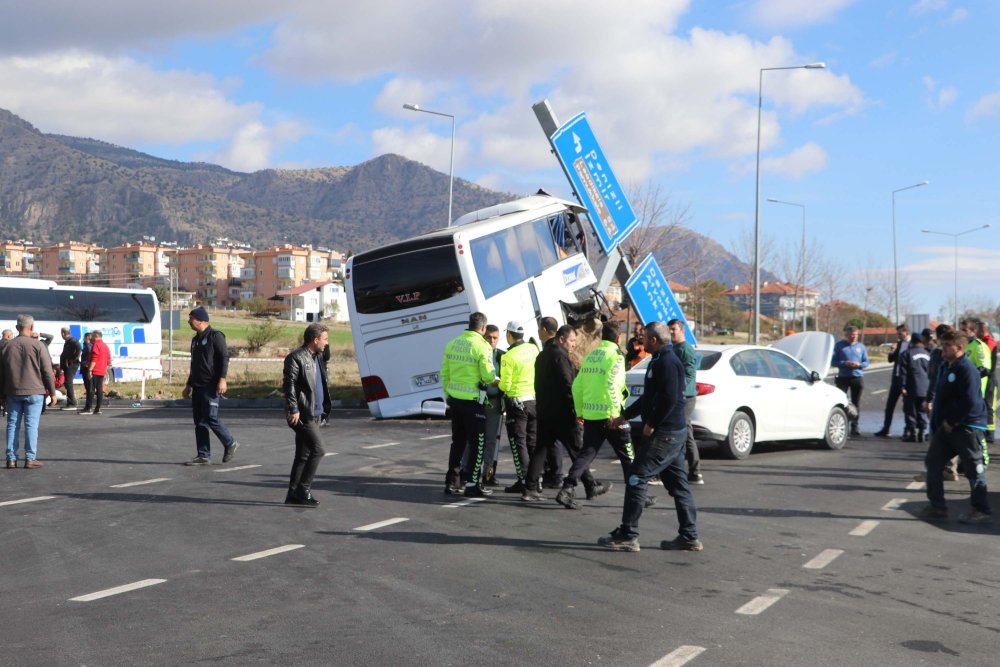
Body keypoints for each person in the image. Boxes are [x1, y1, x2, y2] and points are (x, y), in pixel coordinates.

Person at [598, 321, 701, 552]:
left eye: (644, 337)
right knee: (678, 485)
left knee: (636, 476)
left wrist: (652, 424)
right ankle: (689, 536)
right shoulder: (658, 359)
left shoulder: (668, 362)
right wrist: (624, 416)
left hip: (666, 434)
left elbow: (670, 398)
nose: (640, 340)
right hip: (671, 433)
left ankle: (628, 534)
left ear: (653, 340)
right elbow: (650, 397)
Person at [522, 324, 607, 502]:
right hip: (562, 413)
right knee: (577, 450)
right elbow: (569, 385)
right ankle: (590, 486)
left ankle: (530, 488)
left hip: (544, 411)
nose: (574, 344)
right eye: (572, 340)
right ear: (561, 339)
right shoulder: (560, 357)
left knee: (541, 450)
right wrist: (577, 410)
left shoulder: (543, 355)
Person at [918, 330, 992, 525]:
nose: (943, 348)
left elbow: (971, 401)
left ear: (959, 348)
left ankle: (981, 509)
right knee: (933, 462)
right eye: (943, 344)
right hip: (947, 427)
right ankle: (937, 507)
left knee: (973, 468)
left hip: (967, 426)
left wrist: (953, 421)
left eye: (947, 345)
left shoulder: (966, 369)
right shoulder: (947, 366)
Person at [556, 321, 631, 509]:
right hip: (610, 416)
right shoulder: (616, 357)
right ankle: (638, 494)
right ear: (618, 338)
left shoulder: (591, 356)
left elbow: (577, 386)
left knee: (586, 454)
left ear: (601, 336)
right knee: (628, 456)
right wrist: (615, 413)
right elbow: (612, 384)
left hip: (591, 415)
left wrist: (580, 411)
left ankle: (567, 488)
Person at [441, 312, 497, 497]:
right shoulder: (482, 346)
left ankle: (452, 482)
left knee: (457, 442)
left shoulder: (453, 343)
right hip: (473, 402)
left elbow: (445, 373)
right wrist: (494, 379)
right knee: (477, 444)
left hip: (455, 400)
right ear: (483, 328)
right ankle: (473, 484)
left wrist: (448, 395)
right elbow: (488, 376)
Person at [181, 307, 240, 465]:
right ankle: (203, 455)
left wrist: (222, 379)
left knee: (211, 417)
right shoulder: (195, 340)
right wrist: (188, 385)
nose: (189, 321)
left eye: (191, 318)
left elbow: (224, 358)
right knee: (199, 421)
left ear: (201, 320)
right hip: (197, 385)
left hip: (211, 385)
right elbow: (194, 365)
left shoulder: (215, 336)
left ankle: (230, 442)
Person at [283, 323, 331, 507]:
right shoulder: (296, 357)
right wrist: (293, 408)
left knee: (303, 456)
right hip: (303, 414)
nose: (327, 343)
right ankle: (303, 489)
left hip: (316, 412)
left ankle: (292, 494)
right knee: (319, 450)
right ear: (315, 340)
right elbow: (289, 385)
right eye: (325, 339)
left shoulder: (318, 356)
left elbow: (327, 355)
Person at [1, 314, 56, 469]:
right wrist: (52, 392)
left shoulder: (7, 346)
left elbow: (1, 373)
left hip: (13, 391)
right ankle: (30, 458)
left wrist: (1, 395)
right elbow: (47, 371)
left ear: (17, 327)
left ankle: (11, 459)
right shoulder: (38, 345)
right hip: (35, 391)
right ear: (32, 327)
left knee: (12, 424)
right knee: (31, 425)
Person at [498, 320, 538, 494]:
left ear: (509, 334)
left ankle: (525, 481)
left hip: (517, 404)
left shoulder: (508, 357)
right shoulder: (533, 349)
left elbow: (505, 385)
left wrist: (495, 383)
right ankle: (536, 480)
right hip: (534, 401)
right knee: (532, 442)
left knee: (519, 442)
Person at [668, 318, 703, 484]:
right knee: (681, 432)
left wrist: (679, 391)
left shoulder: (685, 349)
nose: (671, 332)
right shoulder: (673, 348)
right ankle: (688, 472)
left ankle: (694, 472)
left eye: (674, 329)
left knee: (684, 432)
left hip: (685, 397)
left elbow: (689, 374)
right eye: (669, 329)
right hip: (678, 396)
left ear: (682, 331)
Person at [832, 325, 869, 438]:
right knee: (841, 402)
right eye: (852, 335)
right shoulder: (839, 346)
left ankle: (855, 426)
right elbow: (833, 361)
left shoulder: (861, 347)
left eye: (856, 335)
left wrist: (859, 364)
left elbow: (866, 362)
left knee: (855, 403)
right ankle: (843, 426)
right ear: (846, 334)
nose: (854, 337)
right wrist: (845, 363)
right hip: (843, 378)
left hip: (856, 378)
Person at [875, 324, 909, 437]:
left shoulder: (911, 345)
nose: (898, 335)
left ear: (906, 332)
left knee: (907, 407)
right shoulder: (899, 344)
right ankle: (886, 428)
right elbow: (890, 359)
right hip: (896, 378)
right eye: (897, 333)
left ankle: (908, 429)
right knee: (890, 405)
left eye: (900, 333)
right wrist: (892, 350)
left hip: (907, 380)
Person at [481, 324, 505, 487]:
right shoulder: (478, 353)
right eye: (488, 337)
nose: (491, 340)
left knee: (491, 441)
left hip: (494, 403)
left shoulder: (502, 356)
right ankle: (467, 473)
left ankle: (488, 475)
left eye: (495, 338)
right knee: (473, 440)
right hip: (478, 401)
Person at [899, 334, 930, 442]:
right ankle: (922, 432)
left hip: (911, 387)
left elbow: (903, 372)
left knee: (910, 411)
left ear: (912, 341)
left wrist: (902, 386)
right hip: (925, 387)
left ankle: (912, 433)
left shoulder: (906, 353)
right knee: (922, 410)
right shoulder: (927, 354)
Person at [976, 321, 998, 443]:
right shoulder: (981, 343)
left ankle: (990, 434)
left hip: (990, 379)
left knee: (989, 406)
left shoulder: (989, 343)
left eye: (979, 330)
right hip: (984, 379)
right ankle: (985, 431)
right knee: (984, 405)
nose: (977, 332)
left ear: (983, 331)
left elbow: (989, 365)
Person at [82, 330, 111, 415]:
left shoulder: (96, 345)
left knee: (90, 389)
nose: (91, 337)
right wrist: (104, 370)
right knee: (99, 390)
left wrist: (90, 370)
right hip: (102, 371)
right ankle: (97, 408)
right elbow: (108, 361)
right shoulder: (105, 346)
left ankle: (88, 408)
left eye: (93, 336)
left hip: (95, 370)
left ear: (96, 336)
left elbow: (94, 359)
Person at [58, 327, 81, 410]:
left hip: (71, 365)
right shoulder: (68, 341)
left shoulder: (72, 341)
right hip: (68, 365)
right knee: (67, 383)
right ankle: (71, 402)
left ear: (63, 333)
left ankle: (72, 403)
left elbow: (79, 348)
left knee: (68, 383)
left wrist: (72, 359)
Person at [79, 332, 94, 414]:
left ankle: (88, 407)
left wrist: (85, 364)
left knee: (89, 389)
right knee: (88, 389)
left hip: (86, 369)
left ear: (87, 337)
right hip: (85, 368)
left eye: (84, 337)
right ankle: (88, 406)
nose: (83, 339)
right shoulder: (86, 346)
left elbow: (89, 358)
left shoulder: (88, 347)